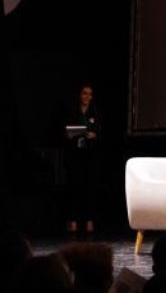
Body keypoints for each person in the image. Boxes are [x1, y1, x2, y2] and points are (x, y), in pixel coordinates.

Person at [66, 82, 101, 234]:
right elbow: (66, 131)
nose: (87, 97)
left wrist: (94, 135)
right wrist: (75, 134)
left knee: (89, 187)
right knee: (74, 187)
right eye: (84, 93)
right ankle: (73, 221)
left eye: (90, 94)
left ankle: (89, 221)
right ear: (80, 95)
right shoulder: (72, 112)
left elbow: (100, 131)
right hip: (75, 154)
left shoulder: (94, 113)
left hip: (90, 155)